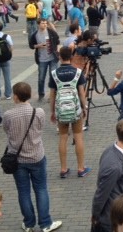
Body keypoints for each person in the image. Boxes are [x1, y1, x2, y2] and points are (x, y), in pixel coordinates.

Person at [3, 82, 62, 232]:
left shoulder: (8, 115)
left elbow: (7, 131)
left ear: (15, 96)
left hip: (18, 159)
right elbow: (40, 128)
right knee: (41, 189)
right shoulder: (39, 112)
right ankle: (46, 223)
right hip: (37, 156)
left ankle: (29, 224)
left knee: (23, 192)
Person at [49, 46, 91, 179]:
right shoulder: (78, 72)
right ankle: (80, 168)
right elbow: (81, 92)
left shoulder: (54, 74)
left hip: (61, 111)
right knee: (78, 136)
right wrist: (84, 107)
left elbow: (52, 95)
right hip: (75, 109)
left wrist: (52, 111)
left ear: (59, 57)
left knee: (63, 137)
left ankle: (63, 169)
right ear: (71, 57)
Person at [91, 119, 123, 232]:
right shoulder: (114, 167)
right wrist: (95, 216)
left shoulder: (111, 150)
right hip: (111, 219)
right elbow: (101, 194)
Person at [29, 18, 60, 101]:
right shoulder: (35, 34)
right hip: (42, 59)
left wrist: (56, 50)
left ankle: (53, 95)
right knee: (41, 78)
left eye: (46, 23)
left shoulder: (51, 32)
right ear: (38, 24)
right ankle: (41, 94)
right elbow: (31, 45)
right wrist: (38, 46)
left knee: (53, 77)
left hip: (52, 58)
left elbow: (57, 41)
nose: (45, 25)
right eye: (43, 23)